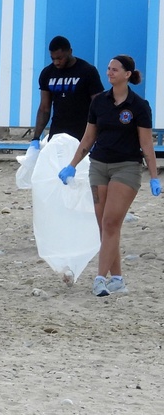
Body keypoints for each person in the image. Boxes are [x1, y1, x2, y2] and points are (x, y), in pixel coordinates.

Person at [58, 54, 160, 297]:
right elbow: (89, 137)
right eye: (108, 68)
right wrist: (72, 164)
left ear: (127, 74)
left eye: (115, 69)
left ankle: (99, 279)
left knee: (111, 222)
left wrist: (154, 176)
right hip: (98, 166)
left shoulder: (139, 106)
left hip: (126, 168)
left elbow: (146, 144)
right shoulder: (99, 103)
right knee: (104, 225)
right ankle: (118, 279)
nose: (109, 72)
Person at [30, 35, 103, 148]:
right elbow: (44, 108)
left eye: (60, 58)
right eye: (53, 58)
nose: (56, 62)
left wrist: (98, 134)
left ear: (70, 51)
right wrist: (36, 137)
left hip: (83, 133)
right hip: (57, 134)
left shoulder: (87, 71)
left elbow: (99, 105)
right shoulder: (47, 73)